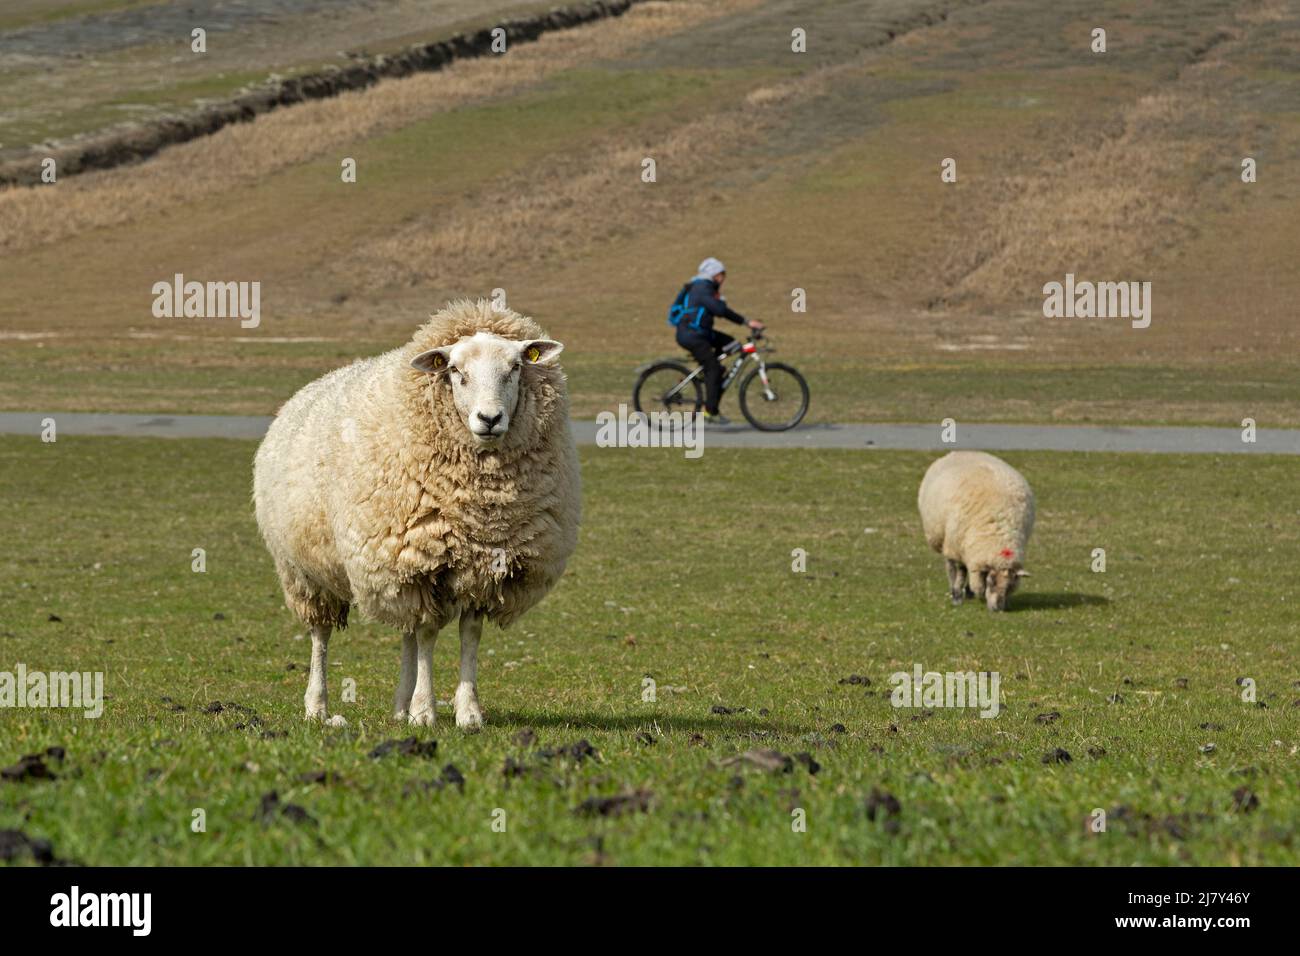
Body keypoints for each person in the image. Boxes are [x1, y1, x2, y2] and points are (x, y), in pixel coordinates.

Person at [670, 257, 764, 425]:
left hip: (701, 333)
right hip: (692, 335)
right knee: (713, 368)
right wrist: (747, 322)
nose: (723, 279)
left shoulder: (704, 287)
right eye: (721, 275)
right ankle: (710, 411)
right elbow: (720, 310)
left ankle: (710, 379)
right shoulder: (702, 288)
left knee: (733, 345)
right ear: (714, 274)